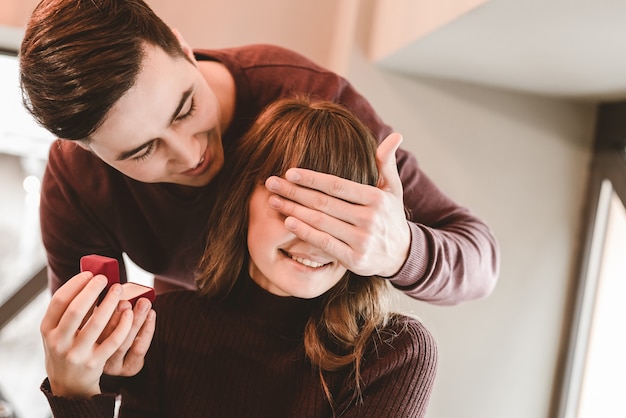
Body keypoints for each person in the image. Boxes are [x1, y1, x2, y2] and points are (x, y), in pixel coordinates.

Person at [20, 0, 498, 377]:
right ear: (89, 151)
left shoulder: (308, 98)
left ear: (184, 48)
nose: (190, 156)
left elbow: (479, 262)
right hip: (194, 363)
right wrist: (81, 376)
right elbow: (94, 351)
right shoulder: (77, 184)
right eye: (140, 151)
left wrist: (402, 250)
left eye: (185, 108)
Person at [40, 97, 438, 418]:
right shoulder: (166, 328)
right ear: (242, 199)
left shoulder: (394, 353)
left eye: (341, 214)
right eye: (290, 203)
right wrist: (75, 396)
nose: (315, 238)